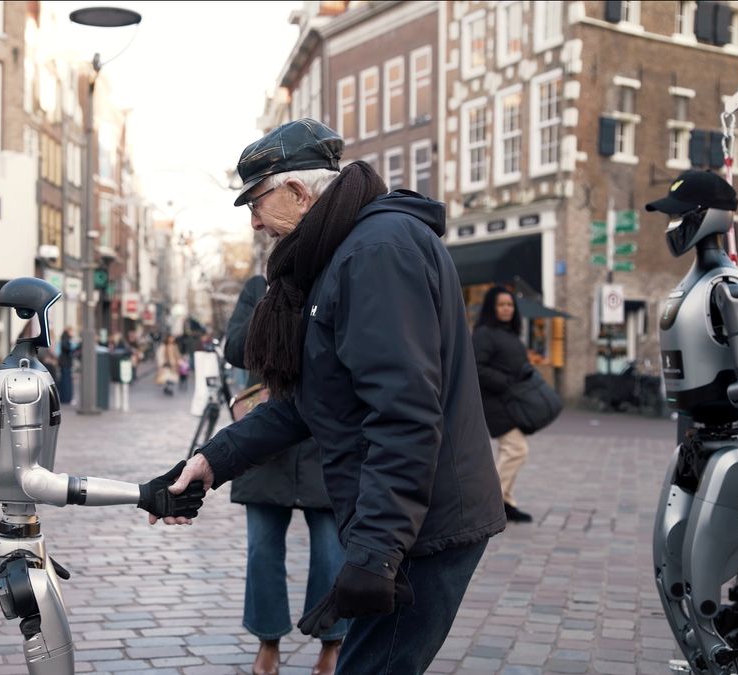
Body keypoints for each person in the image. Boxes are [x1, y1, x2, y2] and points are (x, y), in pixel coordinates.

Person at [152, 119, 506, 674]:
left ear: (296, 190)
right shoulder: (341, 254)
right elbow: (303, 402)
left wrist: (376, 554)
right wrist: (210, 461)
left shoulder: (373, 254)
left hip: (423, 528)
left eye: (256, 201)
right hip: (402, 522)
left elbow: (404, 414)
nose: (253, 220)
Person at [225, 274, 346, 675]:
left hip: (324, 437)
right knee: (262, 549)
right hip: (266, 436)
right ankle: (268, 640)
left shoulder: (332, 278)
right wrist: (275, 304)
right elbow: (236, 349)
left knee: (332, 550)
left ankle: (332, 643)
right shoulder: (258, 287)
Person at [472, 286, 535, 523]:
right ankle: (487, 503)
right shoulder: (484, 334)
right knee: (516, 449)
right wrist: (506, 380)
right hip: (494, 402)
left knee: (510, 450)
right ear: (491, 307)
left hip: (511, 402)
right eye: (501, 304)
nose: (507, 309)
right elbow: (476, 368)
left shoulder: (509, 333)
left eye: (510, 304)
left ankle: (505, 502)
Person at [58, 328, 75, 404]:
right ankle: (66, 398)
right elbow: (67, 348)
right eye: (72, 331)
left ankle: (64, 398)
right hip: (66, 363)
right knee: (66, 381)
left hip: (64, 363)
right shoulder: (66, 339)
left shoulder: (64, 338)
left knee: (64, 381)